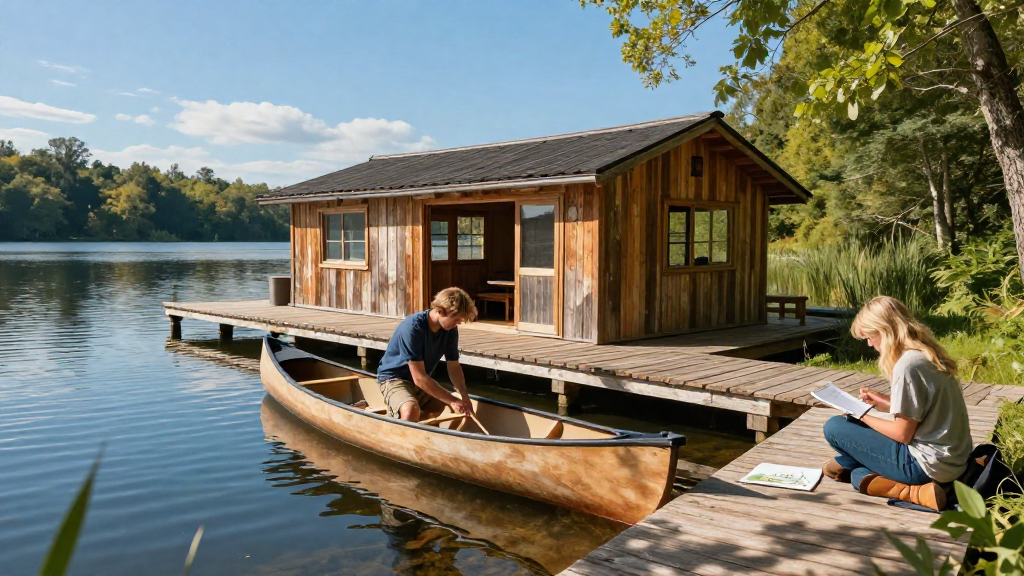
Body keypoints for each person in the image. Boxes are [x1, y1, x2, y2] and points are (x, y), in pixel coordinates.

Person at [821, 296, 971, 511]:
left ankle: (918, 492)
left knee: (836, 428)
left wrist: (860, 414)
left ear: (884, 330)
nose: (870, 343)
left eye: (870, 336)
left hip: (925, 466)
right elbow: (925, 407)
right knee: (855, 470)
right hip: (953, 462)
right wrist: (885, 402)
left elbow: (902, 434)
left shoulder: (908, 365)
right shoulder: (926, 354)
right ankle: (849, 465)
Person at [376, 287, 477, 421]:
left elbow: (453, 366)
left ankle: (417, 429)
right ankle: (401, 431)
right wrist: (452, 400)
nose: (456, 324)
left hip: (418, 382)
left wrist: (464, 397)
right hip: (394, 379)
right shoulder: (413, 327)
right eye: (455, 320)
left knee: (440, 405)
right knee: (411, 409)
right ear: (440, 311)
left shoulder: (450, 330)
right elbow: (419, 378)